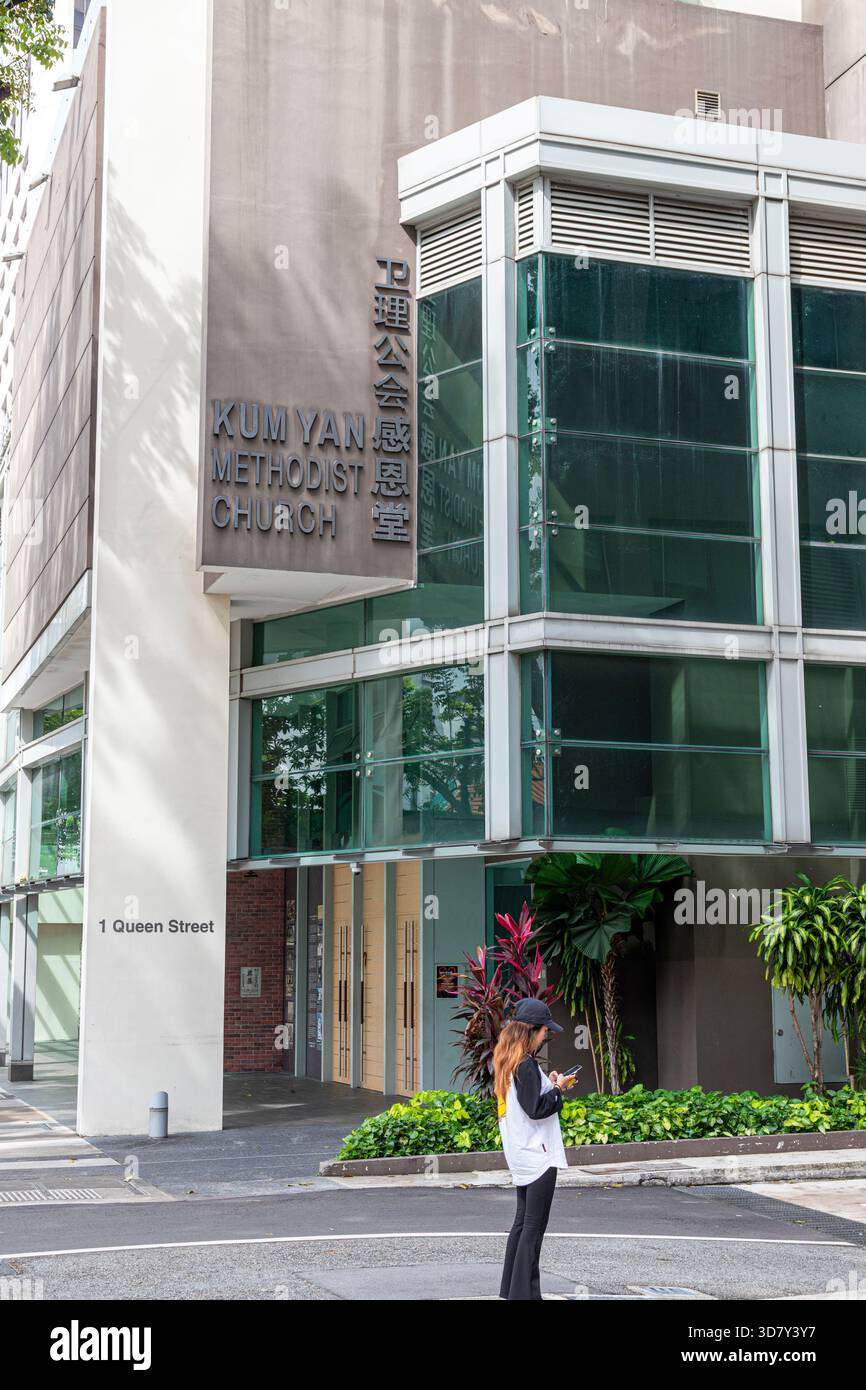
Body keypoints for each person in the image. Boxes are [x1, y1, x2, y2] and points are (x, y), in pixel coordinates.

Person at [493, 997, 576, 1300]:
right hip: (539, 1156)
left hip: (521, 1154)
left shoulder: (505, 1060)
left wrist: (549, 1082)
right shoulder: (525, 1065)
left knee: (522, 1224)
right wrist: (557, 1090)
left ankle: (512, 1291)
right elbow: (536, 1108)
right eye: (544, 1031)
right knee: (533, 1228)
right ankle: (525, 1295)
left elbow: (524, 1099)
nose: (545, 1037)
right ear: (531, 1031)